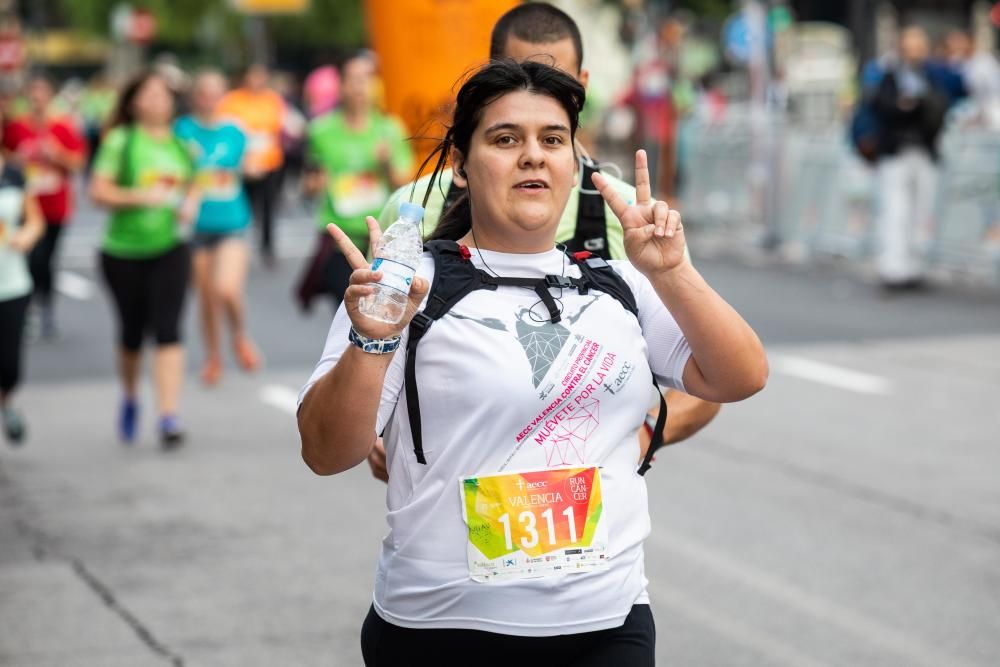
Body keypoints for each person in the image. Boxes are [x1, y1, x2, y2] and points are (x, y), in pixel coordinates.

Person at [298, 58, 767, 666]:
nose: (532, 155)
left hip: (608, 623)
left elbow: (742, 376)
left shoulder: (622, 282)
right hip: (441, 628)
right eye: (504, 139)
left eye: (552, 140)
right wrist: (373, 340)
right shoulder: (404, 284)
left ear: (575, 165)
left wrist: (674, 272)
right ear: (462, 166)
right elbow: (326, 452)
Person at [373, 2, 719, 482]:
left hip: (584, 509)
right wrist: (376, 430)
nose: (533, 88)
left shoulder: (628, 216)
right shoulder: (413, 208)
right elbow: (368, 348)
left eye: (555, 80)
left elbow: (713, 369)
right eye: (519, 73)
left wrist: (635, 436)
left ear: (583, 85)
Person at [89, 71, 198, 447]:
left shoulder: (181, 143)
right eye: (148, 94)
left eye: (163, 94)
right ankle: (132, 396)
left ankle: (169, 415)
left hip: (170, 247)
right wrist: (141, 196)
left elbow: (192, 182)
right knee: (132, 333)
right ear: (134, 102)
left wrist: (189, 205)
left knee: (168, 329)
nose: (157, 100)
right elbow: (98, 191)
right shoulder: (121, 140)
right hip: (123, 251)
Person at [297, 51, 413, 311]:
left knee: (381, 313)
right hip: (340, 237)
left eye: (366, 78)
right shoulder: (321, 130)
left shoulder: (390, 129)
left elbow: (405, 183)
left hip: (382, 239)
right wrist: (314, 183)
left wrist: (386, 163)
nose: (360, 86)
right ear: (340, 85)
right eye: (353, 79)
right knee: (348, 314)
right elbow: (308, 185)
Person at [863, 26, 964, 291]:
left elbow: (946, 100)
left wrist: (919, 105)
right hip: (896, 153)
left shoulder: (932, 74)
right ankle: (894, 267)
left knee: (921, 213)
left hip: (924, 152)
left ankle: (915, 266)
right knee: (895, 210)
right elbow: (881, 108)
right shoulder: (888, 75)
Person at [175, 70, 260, 386]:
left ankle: (239, 335)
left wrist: (251, 168)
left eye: (215, 93)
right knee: (206, 296)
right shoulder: (181, 131)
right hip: (193, 224)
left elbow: (250, 165)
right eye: (203, 93)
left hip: (231, 222)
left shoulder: (235, 131)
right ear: (195, 96)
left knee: (226, 288)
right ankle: (213, 356)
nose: (209, 99)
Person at [2, 74, 86, 339]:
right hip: (23, 206)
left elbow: (79, 164)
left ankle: (46, 308)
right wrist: (18, 158)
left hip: (55, 205)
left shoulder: (62, 127)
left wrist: (57, 153)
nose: (37, 99)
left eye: (42, 93)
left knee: (48, 259)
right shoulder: (16, 128)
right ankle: (26, 309)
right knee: (31, 258)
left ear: (50, 96)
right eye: (33, 94)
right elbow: (5, 157)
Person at [218, 64, 286, 267]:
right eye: (253, 76)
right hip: (242, 164)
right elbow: (226, 128)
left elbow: (277, 127)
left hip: (269, 162)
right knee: (244, 207)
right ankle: (238, 247)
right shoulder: (232, 101)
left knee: (268, 208)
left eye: (261, 77)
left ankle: (267, 247)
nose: (257, 81)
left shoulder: (272, 99)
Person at [0, 139, 45, 444]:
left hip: (11, 282)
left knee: (9, 365)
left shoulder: (14, 174)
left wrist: (27, 235)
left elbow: (35, 219)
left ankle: (8, 401)